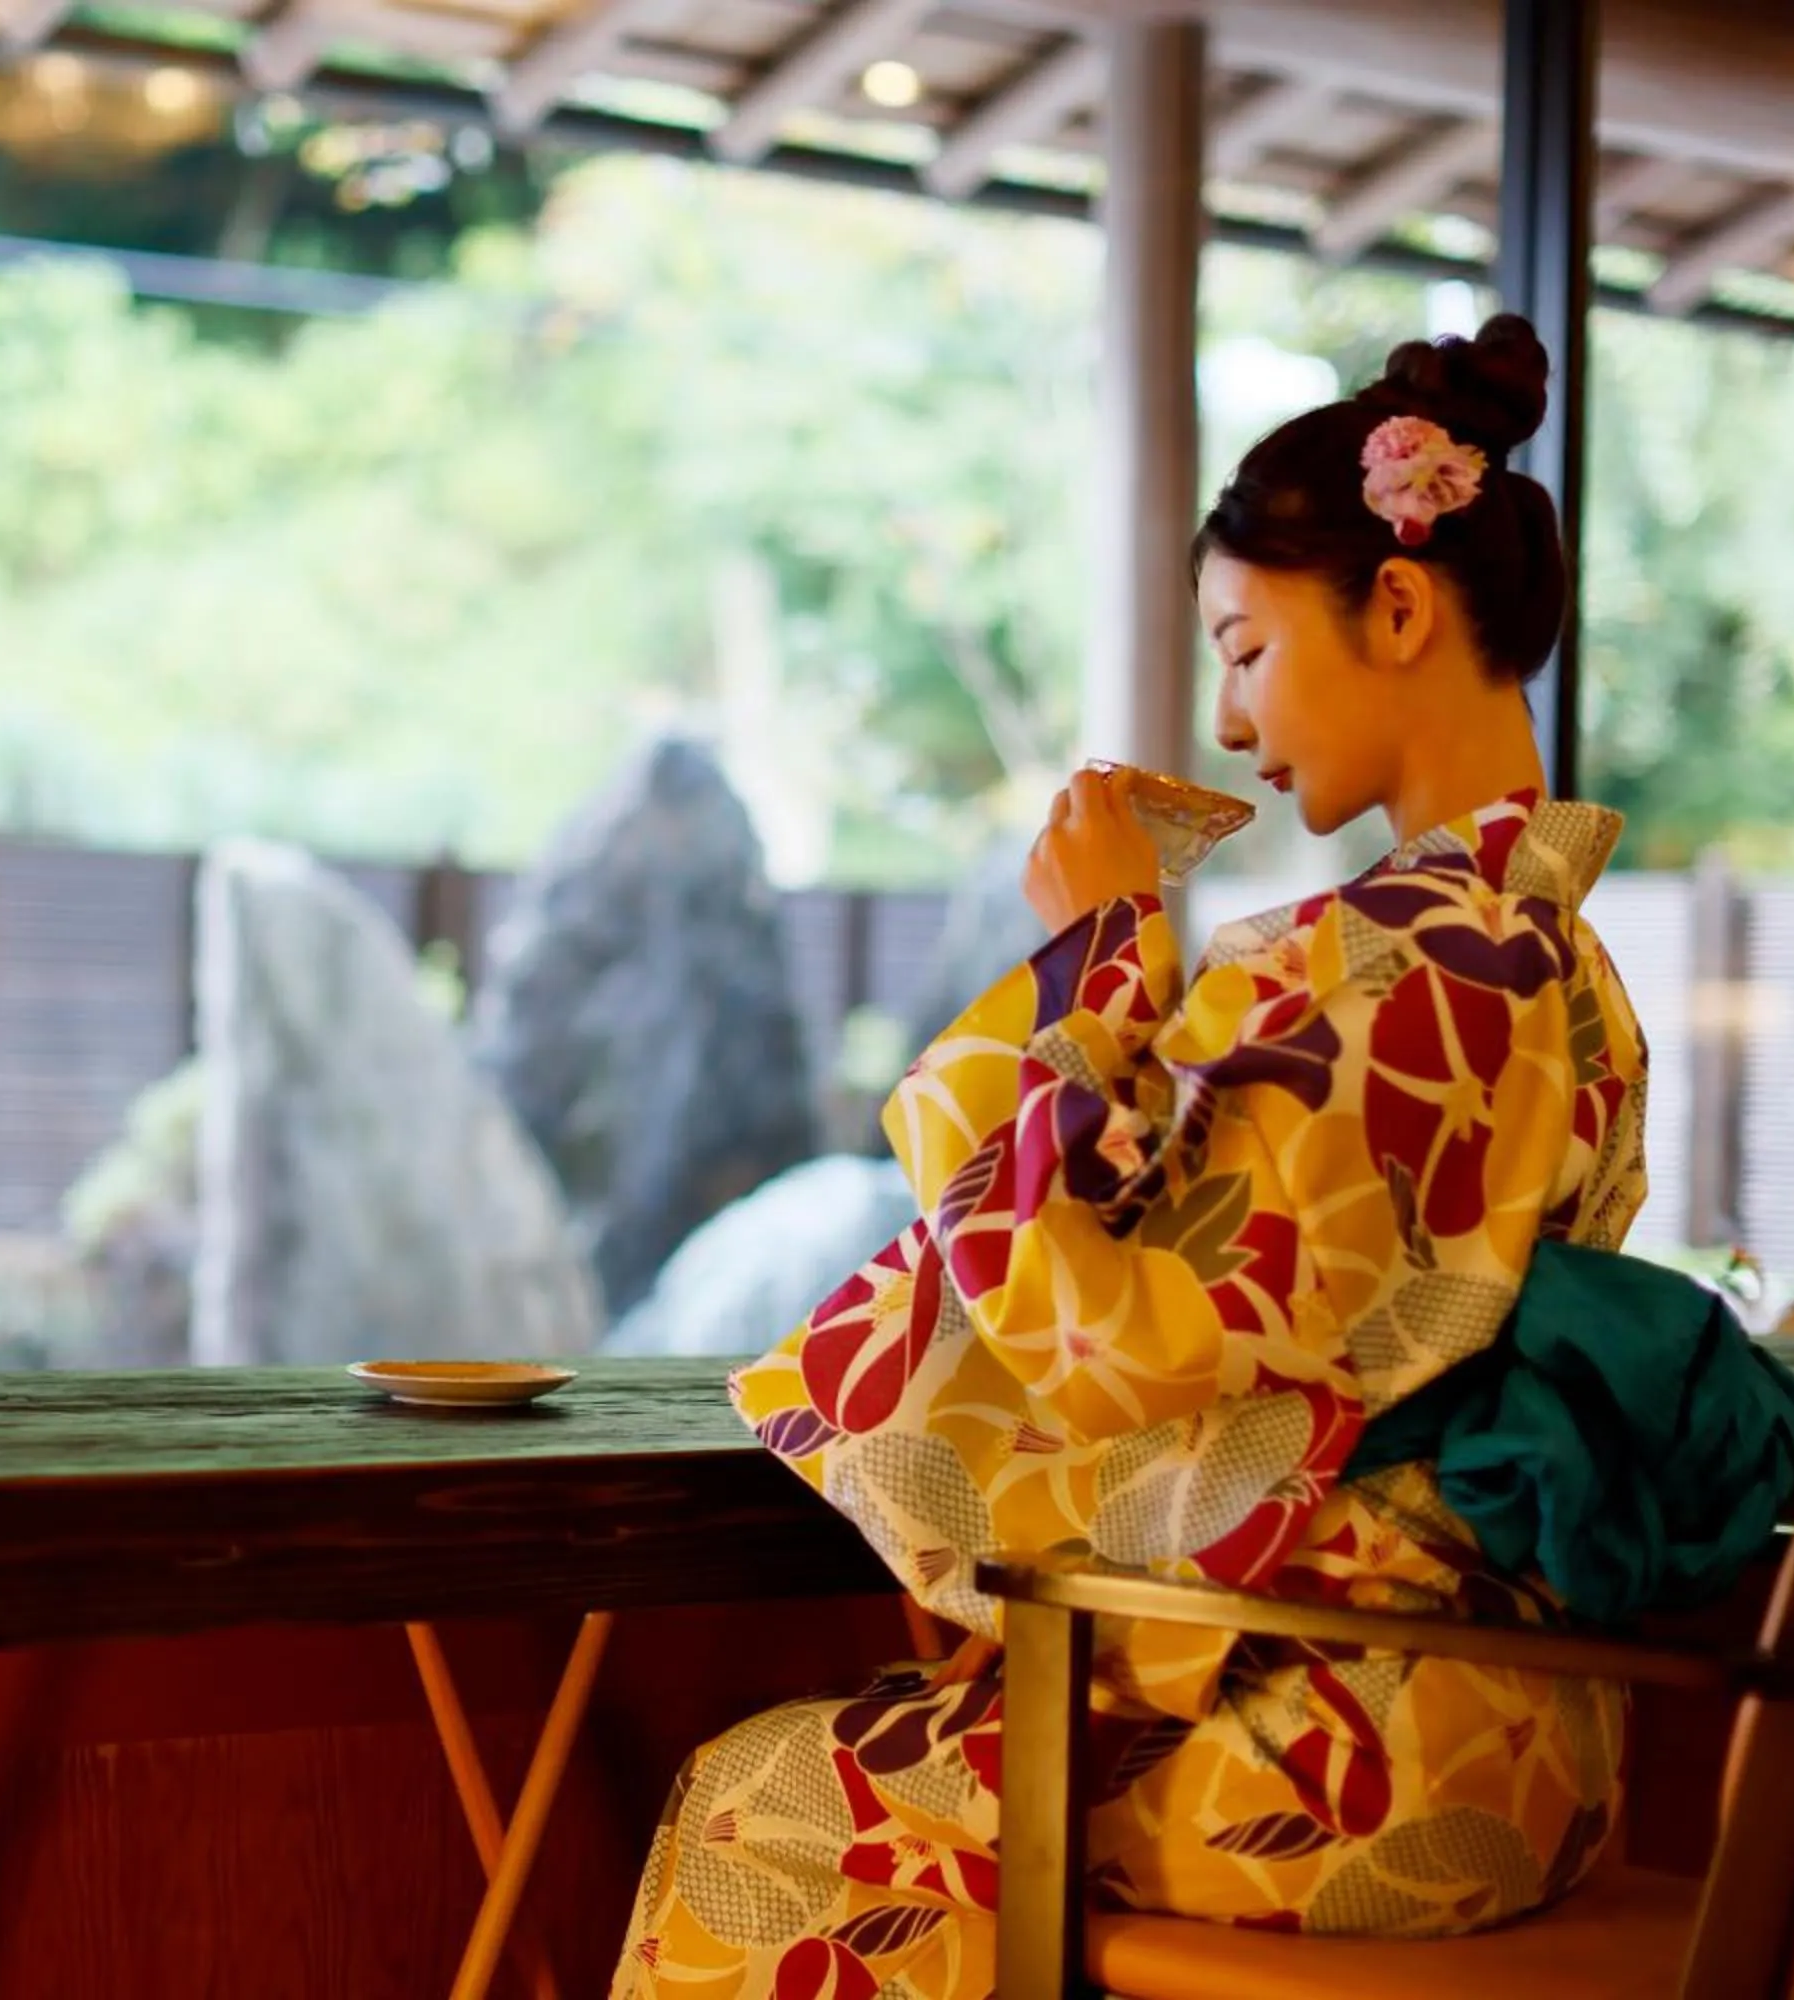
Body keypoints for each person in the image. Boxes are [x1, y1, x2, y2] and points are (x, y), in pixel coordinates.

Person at [611, 315, 1650, 1998]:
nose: (1233, 720)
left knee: (760, 1803)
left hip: (1343, 1745)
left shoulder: (1395, 966)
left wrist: (1099, 955)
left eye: (1245, 648)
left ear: (1396, 608)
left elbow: (1111, 1347)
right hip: (1529, 1726)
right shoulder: (1566, 968)